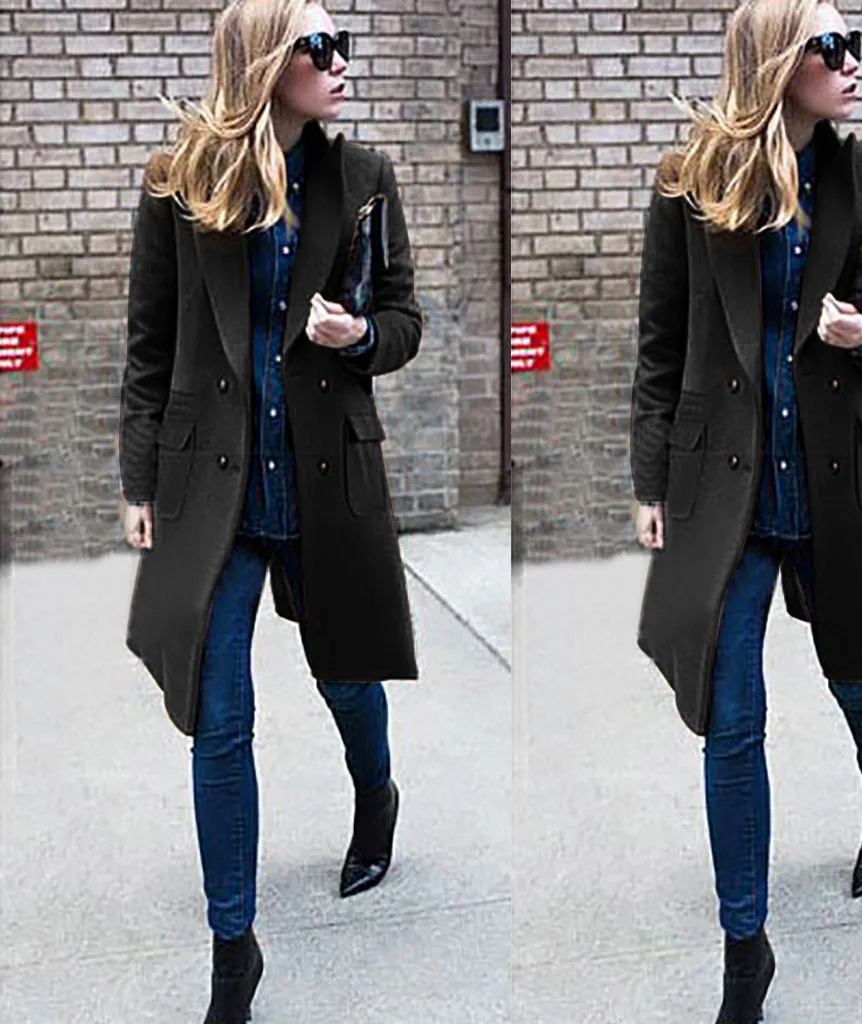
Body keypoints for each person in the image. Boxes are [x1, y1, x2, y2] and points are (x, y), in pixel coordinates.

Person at [117, 2, 422, 1020]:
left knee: (347, 677)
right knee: (219, 716)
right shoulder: (178, 183)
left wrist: (358, 338)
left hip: (326, 473)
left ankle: (375, 793)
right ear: (262, 62)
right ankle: (232, 950)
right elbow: (150, 345)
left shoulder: (363, 177)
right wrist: (138, 483)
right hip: (214, 484)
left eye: (342, 44)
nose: (339, 62)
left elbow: (405, 318)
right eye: (317, 47)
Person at [628, 1, 862, 1021]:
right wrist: (649, 483)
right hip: (726, 488)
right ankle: (743, 951)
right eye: (829, 47)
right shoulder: (689, 185)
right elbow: (660, 347)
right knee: (730, 717)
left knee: (859, 679)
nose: (851, 62)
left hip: (838, 475)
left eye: (853, 44)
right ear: (775, 62)